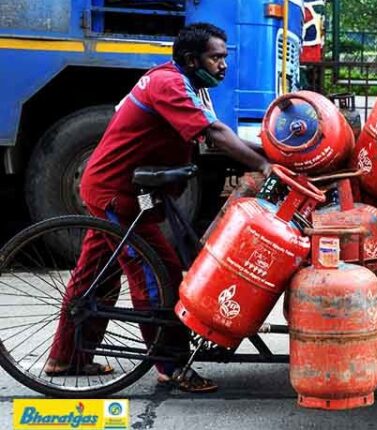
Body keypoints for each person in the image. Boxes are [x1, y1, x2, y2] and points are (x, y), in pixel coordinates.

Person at [44, 23, 270, 393]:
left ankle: (66, 357)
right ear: (190, 58)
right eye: (216, 58)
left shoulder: (185, 85)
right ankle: (170, 365)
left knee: (95, 276)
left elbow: (214, 137)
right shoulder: (169, 84)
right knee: (156, 271)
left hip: (118, 188)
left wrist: (272, 154)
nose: (223, 66)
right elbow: (213, 135)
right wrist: (263, 166)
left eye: (224, 58)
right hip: (116, 193)